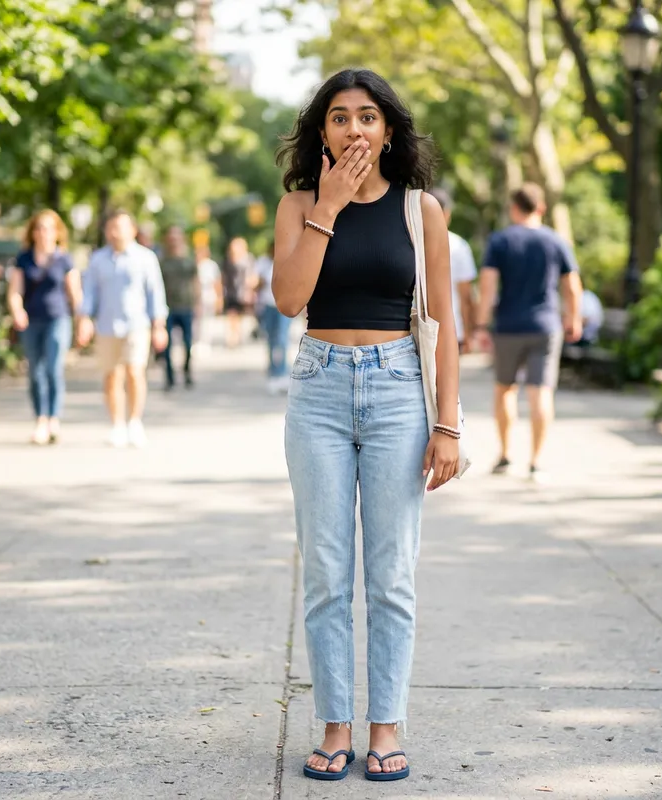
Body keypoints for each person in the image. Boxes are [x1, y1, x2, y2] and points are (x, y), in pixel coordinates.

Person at [273, 68, 460, 782]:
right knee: (325, 573)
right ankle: (334, 725)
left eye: (368, 116)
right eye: (340, 116)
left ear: (387, 131)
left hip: (397, 393)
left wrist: (449, 427)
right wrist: (328, 205)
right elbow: (290, 299)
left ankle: (386, 726)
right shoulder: (298, 205)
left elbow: (443, 324)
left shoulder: (421, 210)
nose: (354, 128)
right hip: (318, 391)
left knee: (391, 576)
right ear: (322, 132)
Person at [474, 183, 583, 481]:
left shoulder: (500, 241)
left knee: (504, 389)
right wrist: (574, 319)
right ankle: (536, 462)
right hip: (545, 327)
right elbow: (572, 286)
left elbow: (487, 287)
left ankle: (505, 455)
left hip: (508, 326)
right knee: (541, 392)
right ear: (542, 208)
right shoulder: (556, 241)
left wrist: (481, 325)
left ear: (514, 208)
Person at [76, 209, 168, 447]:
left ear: (133, 230)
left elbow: (155, 293)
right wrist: (84, 319)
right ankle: (117, 424)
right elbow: (89, 293)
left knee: (135, 372)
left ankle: (135, 422)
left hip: (137, 325)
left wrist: (159, 325)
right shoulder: (98, 260)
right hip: (107, 325)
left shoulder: (145, 258)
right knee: (111, 375)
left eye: (120, 227)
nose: (115, 233)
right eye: (111, 228)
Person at [7, 210, 82, 444]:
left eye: (48, 228)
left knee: (53, 368)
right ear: (33, 232)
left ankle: (53, 418)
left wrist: (82, 321)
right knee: (35, 372)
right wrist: (17, 311)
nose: (43, 233)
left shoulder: (64, 259)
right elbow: (15, 291)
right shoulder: (24, 259)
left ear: (57, 232)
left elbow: (75, 294)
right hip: (32, 321)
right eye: (39, 228)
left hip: (58, 319)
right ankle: (40, 419)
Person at [431, 189, 477, 353]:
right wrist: (469, 332)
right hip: (452, 329)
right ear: (447, 213)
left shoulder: (407, 240)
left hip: (412, 330)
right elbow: (466, 295)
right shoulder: (459, 245)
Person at [160, 225, 199, 390]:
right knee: (166, 345)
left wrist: (198, 303)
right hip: (167, 308)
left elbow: (196, 282)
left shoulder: (188, 261)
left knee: (188, 343)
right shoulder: (162, 262)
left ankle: (187, 371)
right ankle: (169, 377)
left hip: (186, 306)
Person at [254, 241, 292, 394]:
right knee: (270, 339)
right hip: (268, 305)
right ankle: (273, 371)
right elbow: (256, 284)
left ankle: (282, 371)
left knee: (282, 338)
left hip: (282, 306)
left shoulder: (287, 258)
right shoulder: (263, 262)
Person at [222, 237, 254, 348]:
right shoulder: (228, 260)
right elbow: (225, 276)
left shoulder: (247, 259)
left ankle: (237, 334)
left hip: (241, 291)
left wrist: (249, 291)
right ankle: (232, 336)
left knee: (239, 315)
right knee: (231, 314)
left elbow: (249, 275)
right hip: (231, 291)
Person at [195, 244, 223, 351]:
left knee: (208, 319)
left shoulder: (211, 265)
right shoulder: (196, 264)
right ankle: (198, 341)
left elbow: (217, 282)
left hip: (209, 294)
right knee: (197, 320)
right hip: (198, 296)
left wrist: (219, 297)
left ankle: (206, 342)